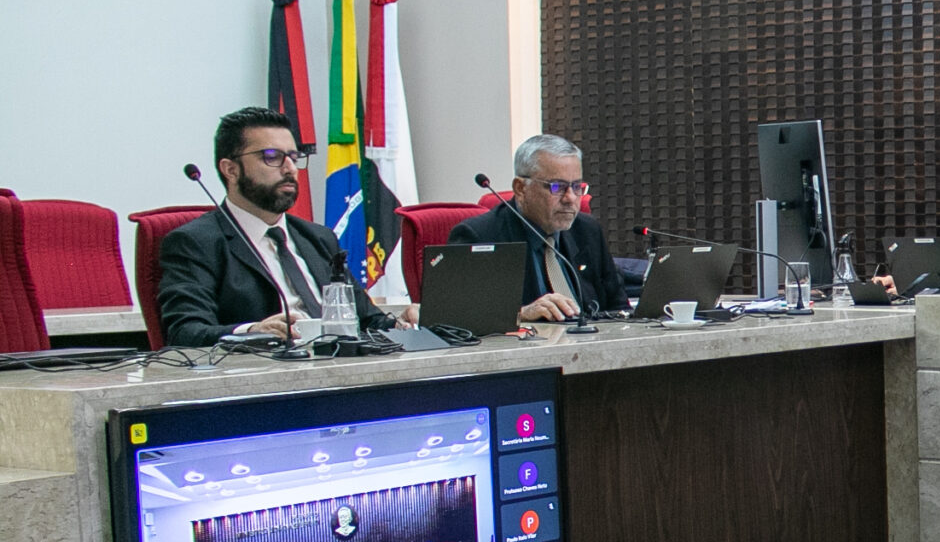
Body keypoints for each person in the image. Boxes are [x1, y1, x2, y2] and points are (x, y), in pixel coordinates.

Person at [157, 108, 398, 347]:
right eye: (272, 157)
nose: (290, 168)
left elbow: (367, 320)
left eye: (293, 157)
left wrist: (403, 323)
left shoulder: (318, 238)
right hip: (267, 367)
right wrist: (251, 332)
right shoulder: (196, 243)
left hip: (339, 362)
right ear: (231, 170)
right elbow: (185, 332)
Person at [447, 134, 627, 322]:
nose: (570, 198)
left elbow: (619, 307)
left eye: (576, 187)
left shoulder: (587, 230)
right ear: (520, 188)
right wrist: (521, 314)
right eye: (557, 187)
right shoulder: (480, 236)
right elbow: (457, 317)